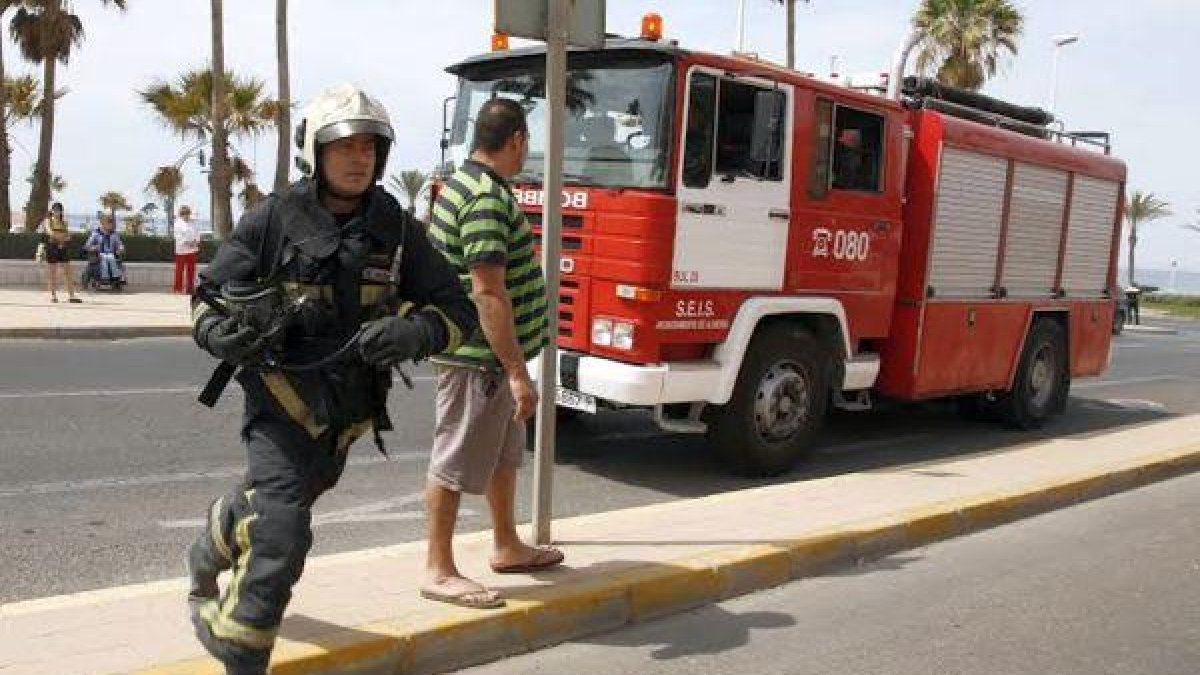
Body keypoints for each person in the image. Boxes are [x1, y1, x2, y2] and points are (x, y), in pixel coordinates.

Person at [185, 84, 477, 674]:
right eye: (344, 144)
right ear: (314, 151)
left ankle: (212, 542)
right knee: (283, 531)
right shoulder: (271, 219)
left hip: (348, 414)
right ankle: (237, 645)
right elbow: (207, 297)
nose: (358, 156)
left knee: (274, 510)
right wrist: (219, 334)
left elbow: (458, 313)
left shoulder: (396, 228)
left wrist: (416, 333)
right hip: (279, 402)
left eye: (369, 145)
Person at [424, 97, 562, 610]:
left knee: (504, 455)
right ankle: (439, 569)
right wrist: (515, 371)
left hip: (493, 359)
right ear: (517, 140)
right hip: (480, 360)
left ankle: (507, 545)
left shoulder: (466, 184)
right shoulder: (484, 197)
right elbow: (487, 291)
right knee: (454, 461)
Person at [41, 202, 81, 303]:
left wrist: (63, 239)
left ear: (61, 211)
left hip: (62, 247)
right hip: (52, 247)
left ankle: (71, 296)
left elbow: (68, 235)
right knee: (52, 272)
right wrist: (60, 237)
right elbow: (50, 232)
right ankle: (53, 296)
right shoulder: (48, 220)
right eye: (55, 209)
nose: (56, 212)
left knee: (68, 272)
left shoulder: (64, 222)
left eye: (58, 210)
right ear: (52, 210)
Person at [85, 215, 125, 285]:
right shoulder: (96, 234)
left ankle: (117, 276)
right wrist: (94, 247)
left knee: (111, 258)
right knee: (106, 258)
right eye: (109, 223)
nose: (111, 225)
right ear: (103, 223)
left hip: (111, 253)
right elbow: (87, 246)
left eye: (112, 223)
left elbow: (120, 244)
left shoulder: (114, 234)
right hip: (99, 254)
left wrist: (120, 248)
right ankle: (105, 277)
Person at [173, 205, 200, 293]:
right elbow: (178, 236)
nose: (186, 216)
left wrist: (196, 241)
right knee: (179, 270)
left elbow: (197, 233)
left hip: (192, 250)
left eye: (188, 214)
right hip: (181, 251)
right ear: (181, 215)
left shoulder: (193, 222)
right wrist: (188, 242)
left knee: (191, 270)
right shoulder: (177, 223)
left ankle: (190, 289)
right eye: (184, 214)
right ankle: (178, 288)